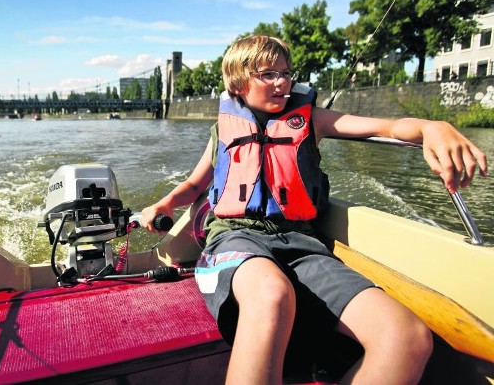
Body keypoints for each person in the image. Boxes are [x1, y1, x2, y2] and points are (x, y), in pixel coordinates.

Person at [141, 35, 487, 384]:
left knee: (405, 336)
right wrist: (165, 203)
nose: (282, 82)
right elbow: (196, 185)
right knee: (270, 294)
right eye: (268, 74)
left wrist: (432, 127)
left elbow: (389, 127)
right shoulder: (222, 130)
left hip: (303, 246)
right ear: (238, 83)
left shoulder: (313, 119)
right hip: (234, 238)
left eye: (286, 73)